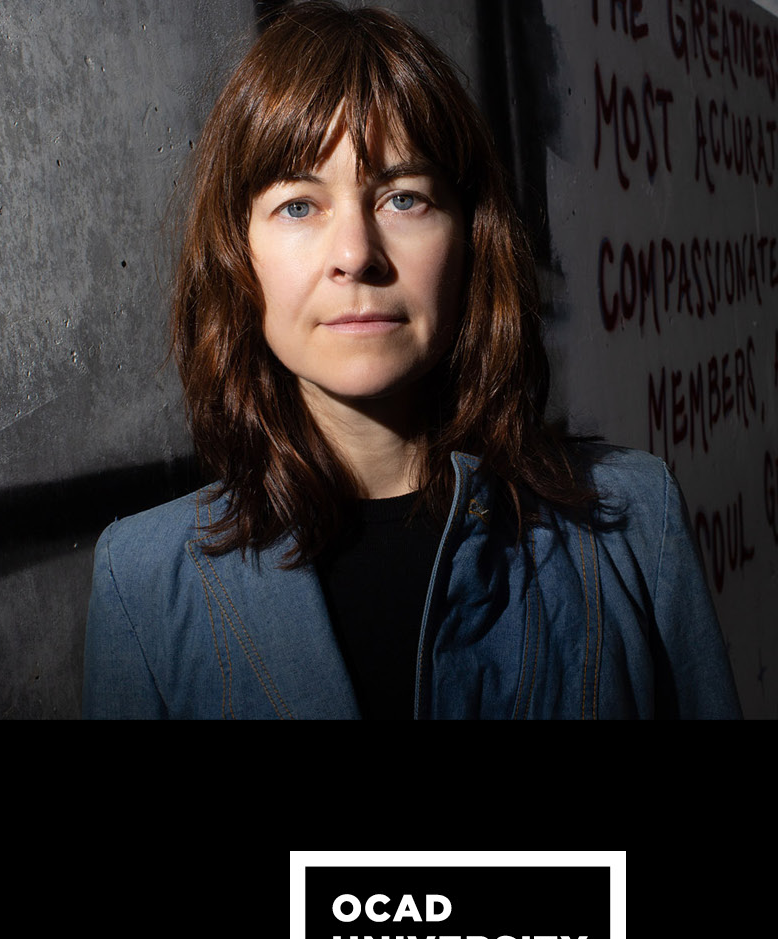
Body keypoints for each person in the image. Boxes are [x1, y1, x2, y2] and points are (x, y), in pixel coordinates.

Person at [82, 2, 739, 718]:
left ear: (469, 240)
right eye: (300, 206)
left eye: (403, 198)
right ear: (238, 255)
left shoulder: (638, 521)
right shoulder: (143, 582)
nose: (357, 254)